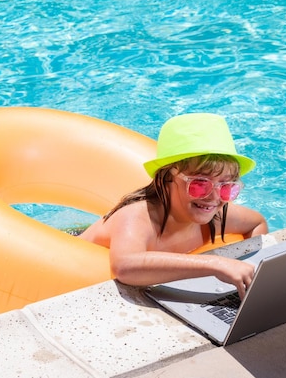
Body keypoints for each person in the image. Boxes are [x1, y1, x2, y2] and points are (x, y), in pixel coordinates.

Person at [80, 113, 268, 298]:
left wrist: (249, 273)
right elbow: (124, 266)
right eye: (200, 183)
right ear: (167, 178)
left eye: (227, 186)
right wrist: (216, 264)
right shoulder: (137, 216)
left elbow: (257, 223)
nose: (214, 196)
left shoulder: (217, 216)